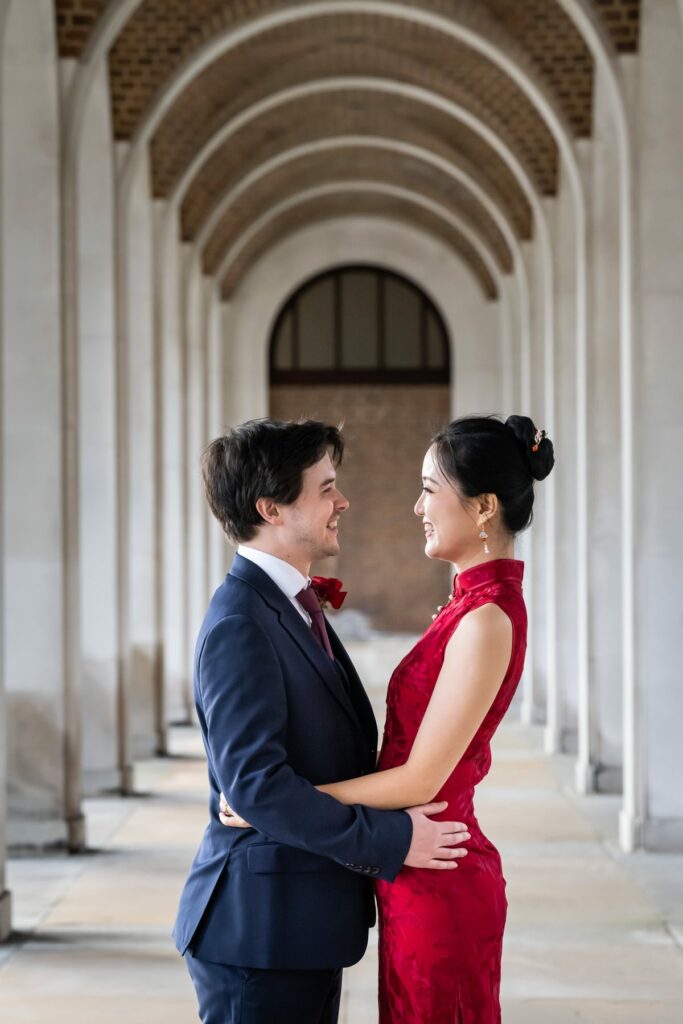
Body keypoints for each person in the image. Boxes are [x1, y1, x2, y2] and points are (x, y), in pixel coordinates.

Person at [220, 414, 555, 1024]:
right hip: (415, 871)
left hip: (438, 870)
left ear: (483, 508)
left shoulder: (484, 619)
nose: (417, 505)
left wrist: (268, 802)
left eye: (430, 489)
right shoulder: (471, 608)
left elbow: (419, 782)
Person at [172, 418, 470, 1024]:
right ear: (271, 508)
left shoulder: (286, 605)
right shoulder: (241, 623)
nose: (343, 501)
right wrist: (394, 839)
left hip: (297, 921)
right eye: (325, 487)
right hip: (259, 933)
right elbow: (255, 788)